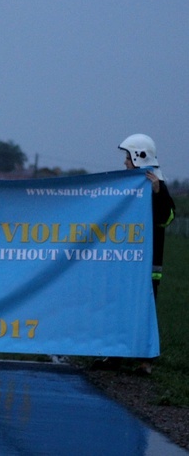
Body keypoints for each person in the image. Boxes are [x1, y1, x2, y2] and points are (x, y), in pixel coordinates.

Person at [93, 133, 175, 374]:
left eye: (128, 158)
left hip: (148, 268)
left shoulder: (157, 186)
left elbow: (166, 218)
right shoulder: (127, 186)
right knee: (119, 308)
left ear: (140, 157)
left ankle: (145, 361)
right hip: (126, 264)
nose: (125, 163)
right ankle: (115, 355)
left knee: (144, 312)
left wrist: (158, 192)